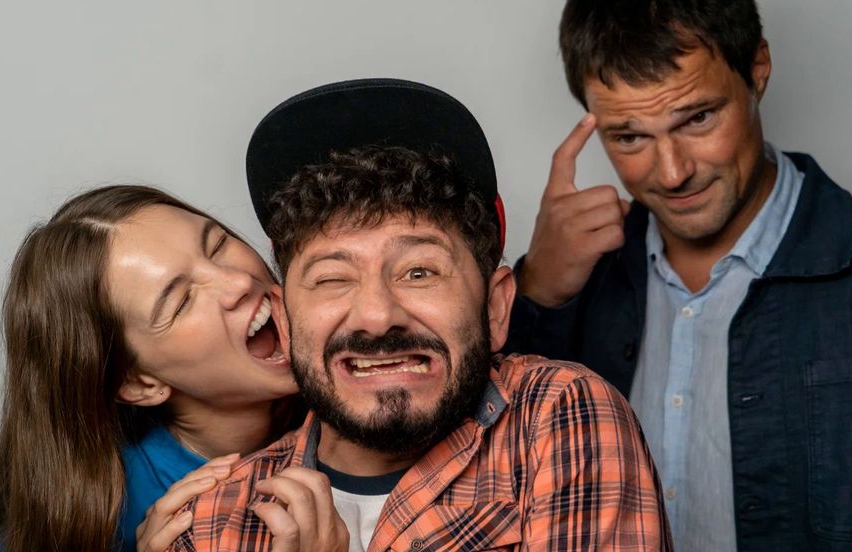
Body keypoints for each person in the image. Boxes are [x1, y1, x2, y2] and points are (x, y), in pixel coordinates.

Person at [509, 0, 852, 549]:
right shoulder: (571, 285)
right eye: (630, 137)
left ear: (758, 70)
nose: (671, 172)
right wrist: (537, 296)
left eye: (698, 118)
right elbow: (485, 482)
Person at [171, 78, 672, 551]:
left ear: (496, 308)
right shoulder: (213, 518)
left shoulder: (557, 416)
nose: (376, 316)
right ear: (283, 321)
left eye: (419, 272)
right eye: (332, 278)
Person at [0, 185, 300, 552]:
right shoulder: (94, 519)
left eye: (217, 245)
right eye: (181, 302)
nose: (239, 282)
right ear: (138, 383)